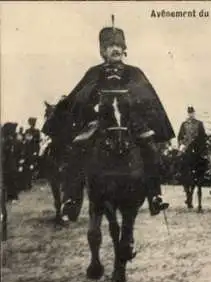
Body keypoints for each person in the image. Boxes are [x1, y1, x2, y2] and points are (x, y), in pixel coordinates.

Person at [42, 16, 175, 217]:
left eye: (119, 45)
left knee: (149, 147)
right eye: (110, 45)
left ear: (125, 49)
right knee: (78, 148)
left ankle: (155, 196)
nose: (116, 49)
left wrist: (136, 109)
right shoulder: (94, 73)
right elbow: (78, 99)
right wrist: (90, 109)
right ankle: (71, 199)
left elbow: (148, 99)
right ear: (103, 50)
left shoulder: (134, 73)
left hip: (130, 122)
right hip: (100, 123)